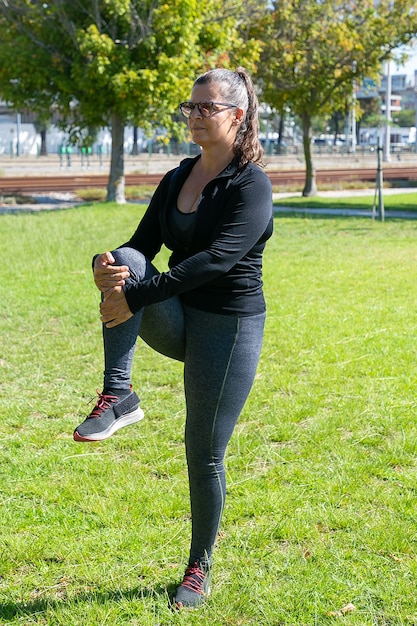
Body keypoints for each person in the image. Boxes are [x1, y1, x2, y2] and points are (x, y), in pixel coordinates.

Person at [73, 67, 274, 609]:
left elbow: (216, 261)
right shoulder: (176, 176)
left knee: (203, 453)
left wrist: (134, 296)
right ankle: (119, 394)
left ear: (237, 115)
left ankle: (198, 566)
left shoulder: (250, 184)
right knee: (130, 261)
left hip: (228, 331)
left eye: (206, 107)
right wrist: (106, 266)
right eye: (191, 106)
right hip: (179, 314)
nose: (195, 115)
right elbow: (140, 245)